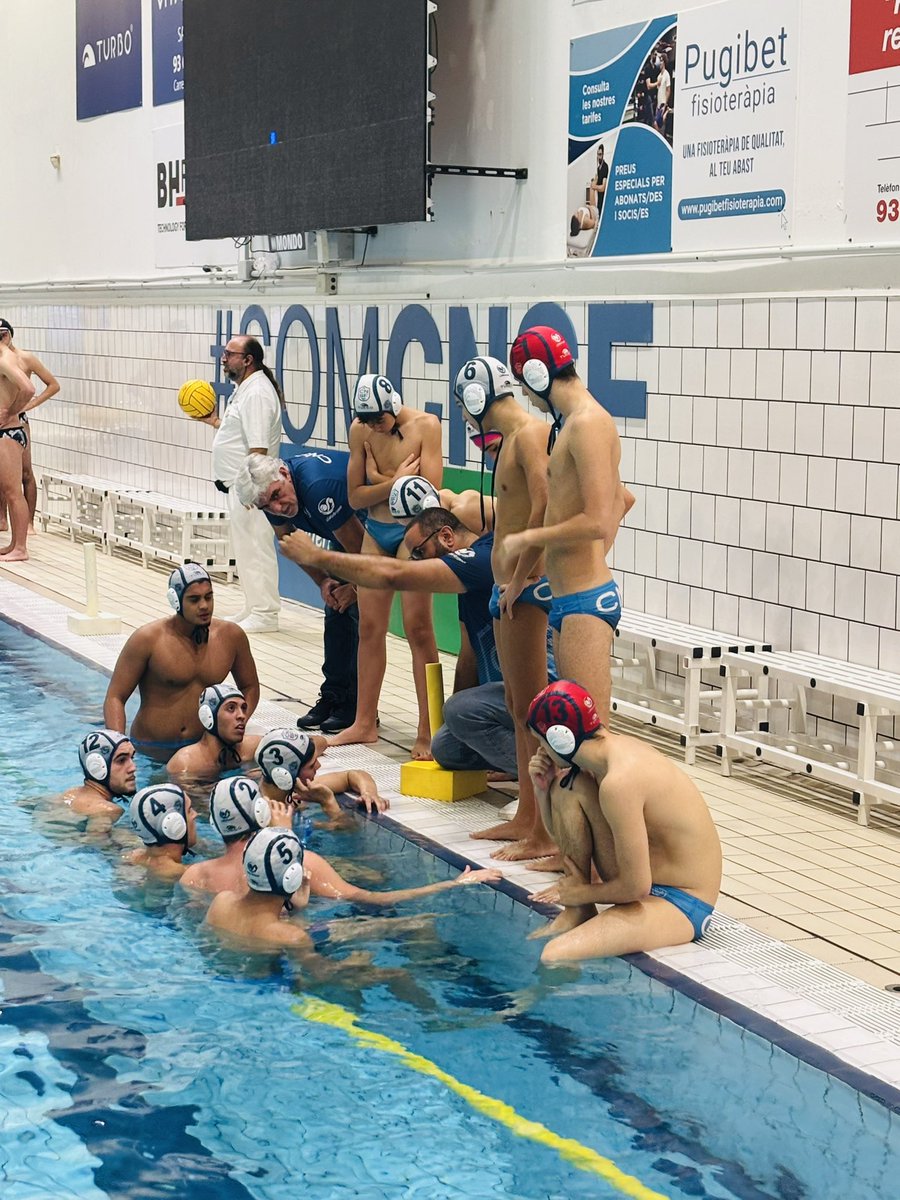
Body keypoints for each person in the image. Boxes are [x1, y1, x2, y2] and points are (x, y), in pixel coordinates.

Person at [279, 509, 523, 795]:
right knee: (447, 747)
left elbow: (394, 575)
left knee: (458, 709)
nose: (416, 561)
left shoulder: (482, 560)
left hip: (533, 694)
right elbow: (468, 660)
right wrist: (454, 726)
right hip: (503, 698)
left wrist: (317, 556)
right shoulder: (468, 586)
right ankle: (517, 759)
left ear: (446, 536)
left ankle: (543, 772)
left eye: (419, 553)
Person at [525, 680, 722, 964]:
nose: (541, 751)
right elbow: (565, 838)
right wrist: (542, 791)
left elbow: (635, 887)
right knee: (569, 786)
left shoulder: (619, 782)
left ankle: (580, 908)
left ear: (560, 738)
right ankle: (579, 913)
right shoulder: (604, 760)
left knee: (555, 955)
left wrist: (580, 893)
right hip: (647, 883)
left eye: (542, 742)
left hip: (681, 901)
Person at [454, 356, 555, 862]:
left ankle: (546, 830)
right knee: (518, 708)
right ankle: (526, 817)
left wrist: (520, 578)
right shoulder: (512, 442)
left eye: (465, 407)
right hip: (507, 588)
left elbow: (545, 506)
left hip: (526, 589)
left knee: (534, 712)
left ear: (476, 399)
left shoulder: (531, 434)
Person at [506, 326, 624, 726]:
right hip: (566, 599)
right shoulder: (571, 424)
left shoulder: (589, 424)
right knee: (568, 734)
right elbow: (621, 498)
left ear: (538, 375)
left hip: (585, 602)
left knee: (590, 736)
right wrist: (523, 578)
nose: (526, 395)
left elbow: (597, 519)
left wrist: (534, 536)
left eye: (524, 384)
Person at [182, 775, 501, 903]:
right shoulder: (304, 862)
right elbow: (371, 898)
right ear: (262, 813)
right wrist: (452, 884)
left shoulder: (194, 875)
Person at [339, 374, 443, 759]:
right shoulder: (360, 431)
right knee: (368, 628)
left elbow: (427, 496)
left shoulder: (427, 427)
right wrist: (393, 481)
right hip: (376, 531)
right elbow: (355, 497)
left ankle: (430, 730)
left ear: (393, 405)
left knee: (419, 629)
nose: (373, 427)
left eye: (378, 419)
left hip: (414, 533)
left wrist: (378, 479)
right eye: (366, 420)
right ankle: (364, 722)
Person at [235, 450, 366, 732]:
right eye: (267, 505)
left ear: (284, 473)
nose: (278, 507)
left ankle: (359, 706)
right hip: (350, 537)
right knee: (336, 609)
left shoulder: (318, 487)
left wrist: (355, 589)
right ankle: (334, 695)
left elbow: (364, 552)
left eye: (277, 495)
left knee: (360, 614)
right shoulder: (269, 495)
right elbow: (289, 541)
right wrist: (323, 582)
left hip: (377, 532)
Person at [103, 564, 259, 757]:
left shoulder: (231, 636)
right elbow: (115, 697)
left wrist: (237, 724)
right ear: (176, 601)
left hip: (203, 749)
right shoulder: (148, 639)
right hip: (151, 750)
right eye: (194, 599)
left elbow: (250, 686)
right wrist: (119, 747)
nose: (204, 606)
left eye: (208, 597)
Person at [197, 335, 283, 633]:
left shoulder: (257, 393)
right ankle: (253, 606)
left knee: (257, 548)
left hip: (254, 488)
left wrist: (251, 489)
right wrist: (216, 423)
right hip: (243, 486)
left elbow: (258, 449)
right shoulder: (247, 389)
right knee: (246, 548)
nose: (223, 358)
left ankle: (265, 613)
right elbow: (242, 434)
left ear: (247, 360)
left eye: (229, 354)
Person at [0, 319, 59, 551]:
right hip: (9, 425)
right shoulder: (7, 358)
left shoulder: (14, 359)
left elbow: (36, 387)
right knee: (8, 486)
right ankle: (14, 538)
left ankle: (23, 537)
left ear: (9, 335)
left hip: (13, 425)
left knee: (22, 478)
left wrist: (21, 408)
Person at [254, 727, 387, 822]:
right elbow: (347, 831)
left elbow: (351, 776)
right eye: (311, 765)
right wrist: (328, 803)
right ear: (285, 775)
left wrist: (368, 792)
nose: (319, 766)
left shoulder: (298, 791)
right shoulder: (259, 812)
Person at [166, 685, 257, 778]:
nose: (242, 715)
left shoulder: (254, 748)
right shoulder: (185, 763)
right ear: (208, 716)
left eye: (243, 708)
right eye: (231, 708)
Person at [56, 730, 138, 830]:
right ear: (97, 767)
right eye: (121, 760)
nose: (133, 768)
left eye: (132, 758)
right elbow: (95, 838)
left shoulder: (67, 795)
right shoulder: (107, 811)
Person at [124, 783, 198, 880]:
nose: (195, 814)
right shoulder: (183, 872)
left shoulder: (132, 857)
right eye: (189, 810)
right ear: (174, 823)